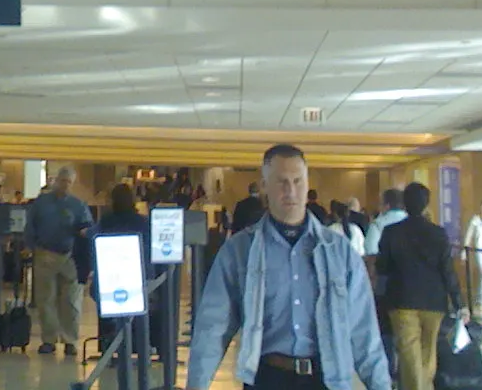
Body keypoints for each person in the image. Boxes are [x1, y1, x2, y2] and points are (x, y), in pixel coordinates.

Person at [186, 144, 389, 390]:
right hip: (268, 378)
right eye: (281, 182)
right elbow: (213, 327)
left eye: (297, 181)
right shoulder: (239, 251)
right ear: (264, 186)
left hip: (328, 378)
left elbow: (364, 330)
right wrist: (196, 385)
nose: (291, 191)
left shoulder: (340, 252)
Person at [376, 182, 462, 390]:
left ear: (404, 204)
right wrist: (459, 302)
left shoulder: (391, 232)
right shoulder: (438, 233)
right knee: (427, 355)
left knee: (409, 356)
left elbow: (382, 267)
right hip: (434, 302)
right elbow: (447, 270)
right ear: (426, 205)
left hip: (402, 300)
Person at [25, 163, 92, 356]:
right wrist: (32, 247)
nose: (65, 185)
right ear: (56, 181)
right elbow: (30, 226)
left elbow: (87, 228)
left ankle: (70, 339)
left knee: (71, 301)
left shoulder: (78, 205)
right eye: (62, 181)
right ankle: (49, 339)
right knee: (45, 300)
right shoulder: (41, 203)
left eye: (69, 182)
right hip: (45, 254)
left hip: (70, 256)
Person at [94, 183, 160, 365]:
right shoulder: (143, 222)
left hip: (111, 275)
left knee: (110, 311)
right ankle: (143, 347)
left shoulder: (107, 221)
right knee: (141, 313)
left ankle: (110, 347)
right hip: (140, 275)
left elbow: (95, 238)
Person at [364, 189, 407, 257]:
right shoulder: (413, 222)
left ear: (387, 206)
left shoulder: (377, 224)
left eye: (380, 204)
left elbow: (370, 251)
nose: (379, 208)